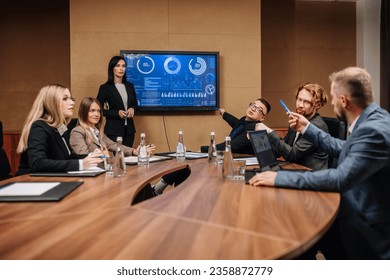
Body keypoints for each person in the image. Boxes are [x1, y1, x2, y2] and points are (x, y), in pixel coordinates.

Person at [249, 67, 390, 259]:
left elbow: (341, 178)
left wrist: (279, 177)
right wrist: (307, 128)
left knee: (297, 239)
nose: (331, 102)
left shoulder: (373, 129)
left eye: (333, 97)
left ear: (344, 100)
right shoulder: (375, 118)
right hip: (354, 210)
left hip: (367, 227)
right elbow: (343, 147)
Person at [70, 97, 190, 199]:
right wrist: (104, 156)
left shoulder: (97, 132)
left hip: (108, 172)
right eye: (92, 111)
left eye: (98, 111)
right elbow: (83, 155)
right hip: (95, 179)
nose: (96, 114)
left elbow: (114, 146)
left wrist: (134, 151)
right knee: (136, 180)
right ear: (83, 112)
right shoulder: (78, 132)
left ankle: (150, 202)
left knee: (141, 179)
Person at [15, 84, 103, 175]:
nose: (72, 103)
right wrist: (81, 164)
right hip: (29, 183)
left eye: (71, 98)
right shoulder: (39, 126)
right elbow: (37, 163)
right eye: (65, 99)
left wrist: (90, 156)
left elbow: (66, 158)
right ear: (51, 103)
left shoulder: (57, 128)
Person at [255, 83, 329, 170]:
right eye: (299, 99)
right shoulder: (296, 119)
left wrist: (269, 131)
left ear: (318, 105)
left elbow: (291, 155)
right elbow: (282, 149)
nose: (300, 105)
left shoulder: (317, 126)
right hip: (296, 171)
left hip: (312, 176)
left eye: (306, 102)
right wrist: (261, 139)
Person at [201, 98, 271, 154]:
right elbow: (236, 123)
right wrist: (224, 114)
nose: (253, 109)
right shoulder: (244, 120)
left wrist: (205, 150)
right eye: (253, 105)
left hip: (242, 164)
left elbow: (229, 146)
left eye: (259, 109)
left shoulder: (253, 129)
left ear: (262, 118)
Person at [97, 55, 138, 147]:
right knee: (119, 158)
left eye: (123, 66)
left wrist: (132, 109)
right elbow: (99, 110)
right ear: (112, 68)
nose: (121, 69)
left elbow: (135, 104)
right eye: (118, 66)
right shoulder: (105, 88)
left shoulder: (130, 86)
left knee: (129, 157)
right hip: (114, 130)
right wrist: (117, 113)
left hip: (129, 130)